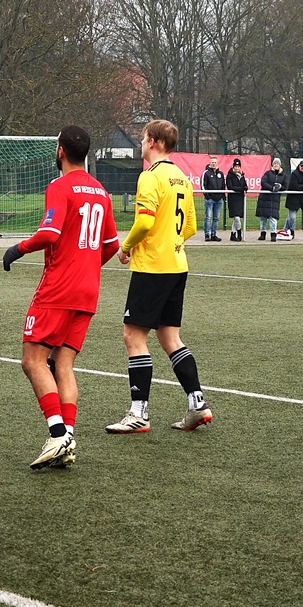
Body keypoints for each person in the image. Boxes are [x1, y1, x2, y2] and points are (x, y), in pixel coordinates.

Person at [3, 126, 119, 469]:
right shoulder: (101, 191)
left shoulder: (59, 186)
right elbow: (111, 245)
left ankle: (57, 436)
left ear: (60, 151)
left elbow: (50, 232)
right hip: (88, 290)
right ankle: (67, 437)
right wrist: (86, 267)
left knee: (33, 361)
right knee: (63, 364)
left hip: (58, 288)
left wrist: (18, 249)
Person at [105, 119, 212, 435]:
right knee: (170, 337)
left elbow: (144, 222)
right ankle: (197, 403)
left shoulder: (150, 176)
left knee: (133, 336)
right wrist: (172, 241)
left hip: (152, 267)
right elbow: (190, 226)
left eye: (142, 138)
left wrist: (125, 247)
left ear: (152, 141)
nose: (141, 143)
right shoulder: (182, 178)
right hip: (177, 265)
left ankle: (139, 413)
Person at [256, 158, 285, 242]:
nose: (276, 165)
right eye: (274, 163)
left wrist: (279, 187)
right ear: (272, 164)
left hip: (274, 200)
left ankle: (273, 234)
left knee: (273, 218)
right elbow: (263, 182)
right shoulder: (267, 173)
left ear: (280, 165)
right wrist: (271, 188)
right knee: (263, 217)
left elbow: (285, 186)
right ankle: (263, 233)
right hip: (264, 199)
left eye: (277, 164)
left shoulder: (283, 175)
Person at [200, 156, 225, 242]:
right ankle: (207, 234)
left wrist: (222, 196)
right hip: (210, 199)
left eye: (215, 162)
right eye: (212, 162)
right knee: (208, 217)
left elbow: (223, 185)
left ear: (217, 163)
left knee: (216, 218)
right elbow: (203, 185)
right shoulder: (206, 173)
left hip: (219, 199)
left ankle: (214, 234)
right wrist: (207, 195)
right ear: (210, 163)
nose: (214, 164)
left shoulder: (220, 173)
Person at [226, 158, 247, 241]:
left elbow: (245, 186)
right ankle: (239, 232)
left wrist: (245, 189)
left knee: (236, 218)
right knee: (237, 217)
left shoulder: (242, 176)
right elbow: (230, 186)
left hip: (240, 199)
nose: (237, 168)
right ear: (233, 167)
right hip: (233, 199)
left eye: (238, 166)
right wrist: (241, 189)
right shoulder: (230, 175)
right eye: (235, 166)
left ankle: (233, 234)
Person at [281, 160, 303, 240]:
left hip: (301, 199)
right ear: (299, 166)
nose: (302, 168)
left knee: (290, 217)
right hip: (293, 199)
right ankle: (292, 230)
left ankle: (284, 230)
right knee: (292, 217)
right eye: (301, 166)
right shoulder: (294, 174)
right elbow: (294, 186)